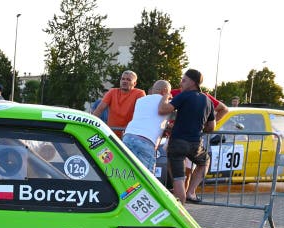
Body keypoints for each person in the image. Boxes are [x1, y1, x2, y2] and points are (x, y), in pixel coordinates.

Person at [159, 69, 215, 204]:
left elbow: (163, 110)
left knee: (178, 178)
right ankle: (191, 192)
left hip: (178, 142)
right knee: (204, 162)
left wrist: (165, 97)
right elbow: (211, 127)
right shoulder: (208, 101)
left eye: (184, 80)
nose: (181, 83)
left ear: (193, 82)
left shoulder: (184, 95)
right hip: (196, 144)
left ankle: (181, 209)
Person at [122, 80, 172, 174]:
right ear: (165, 91)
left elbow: (148, 117)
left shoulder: (140, 100)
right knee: (146, 178)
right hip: (146, 141)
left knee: (126, 174)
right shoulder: (168, 103)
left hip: (128, 136)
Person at [92, 70, 146, 138]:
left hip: (128, 135)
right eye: (123, 79)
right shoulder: (112, 92)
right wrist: (90, 124)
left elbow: (142, 114)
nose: (124, 81)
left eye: (128, 80)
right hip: (111, 134)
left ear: (134, 83)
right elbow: (99, 109)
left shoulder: (139, 93)